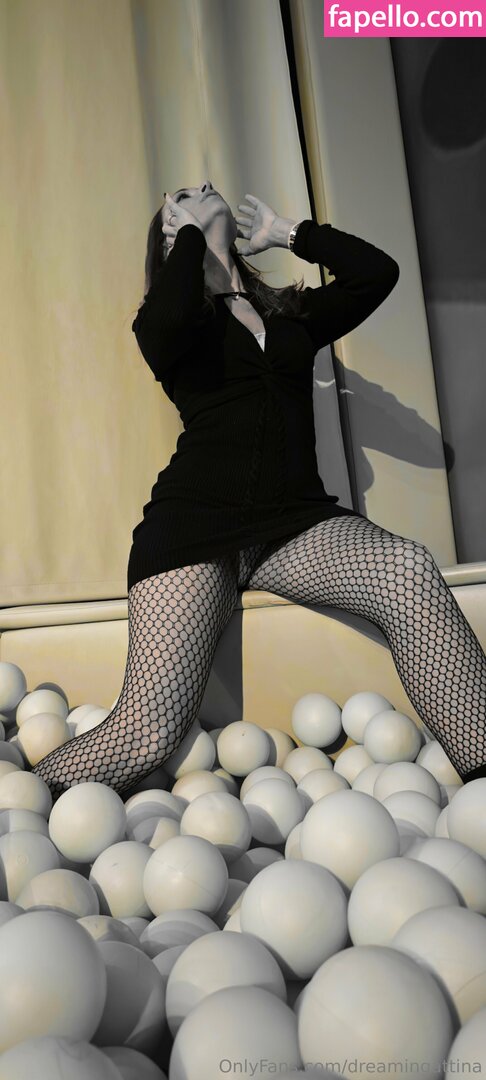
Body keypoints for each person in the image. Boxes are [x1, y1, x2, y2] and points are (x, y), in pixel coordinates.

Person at [32, 179, 486, 800]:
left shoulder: (289, 314)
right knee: (148, 732)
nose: (203, 185)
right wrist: (191, 240)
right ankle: (23, 799)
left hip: (293, 526)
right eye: (184, 194)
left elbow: (377, 275)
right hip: (193, 528)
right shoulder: (170, 323)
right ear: (170, 238)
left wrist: (289, 234)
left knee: (407, 567)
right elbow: (168, 315)